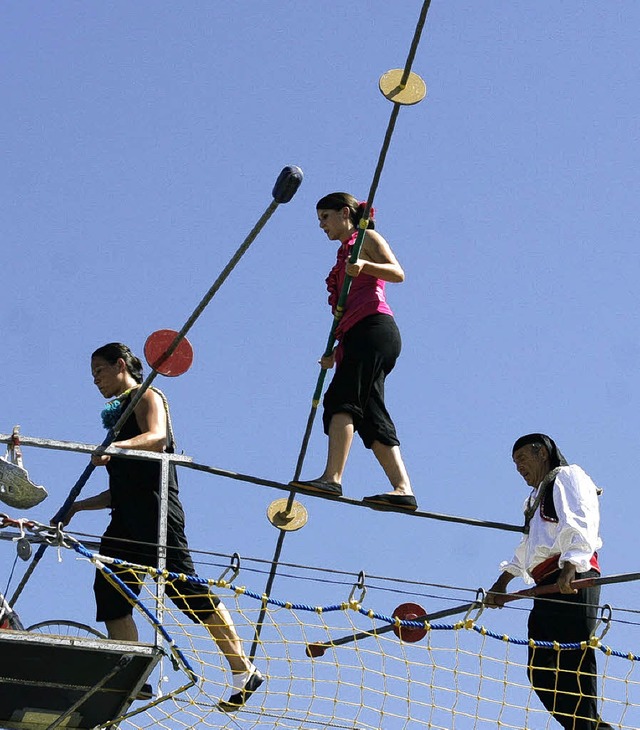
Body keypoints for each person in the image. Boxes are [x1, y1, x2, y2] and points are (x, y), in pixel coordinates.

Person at [62, 343, 262, 712]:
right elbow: (121, 489)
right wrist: (77, 506)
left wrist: (116, 448)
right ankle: (133, 675)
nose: (95, 381)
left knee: (182, 587)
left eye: (99, 372)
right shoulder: (119, 422)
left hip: (156, 511)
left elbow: (157, 437)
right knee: (110, 591)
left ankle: (242, 669)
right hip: (125, 516)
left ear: (120, 365)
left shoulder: (147, 393)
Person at [291, 193, 417, 512]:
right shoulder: (342, 254)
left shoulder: (365, 238)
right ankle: (402, 489)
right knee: (371, 416)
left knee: (340, 400)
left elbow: (397, 272)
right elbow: (347, 310)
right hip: (358, 336)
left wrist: (364, 265)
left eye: (325, 217)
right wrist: (334, 350)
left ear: (344, 213)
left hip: (374, 328)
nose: (321, 225)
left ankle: (332, 477)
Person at [486, 433, 612, 729]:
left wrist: (571, 566)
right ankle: (592, 727)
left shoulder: (568, 477)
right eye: (514, 463)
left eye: (522, 459)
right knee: (540, 672)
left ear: (541, 452)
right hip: (546, 584)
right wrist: (501, 584)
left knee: (573, 663)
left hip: (572, 577)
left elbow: (580, 521)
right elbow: (528, 549)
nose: (518, 468)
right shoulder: (535, 498)